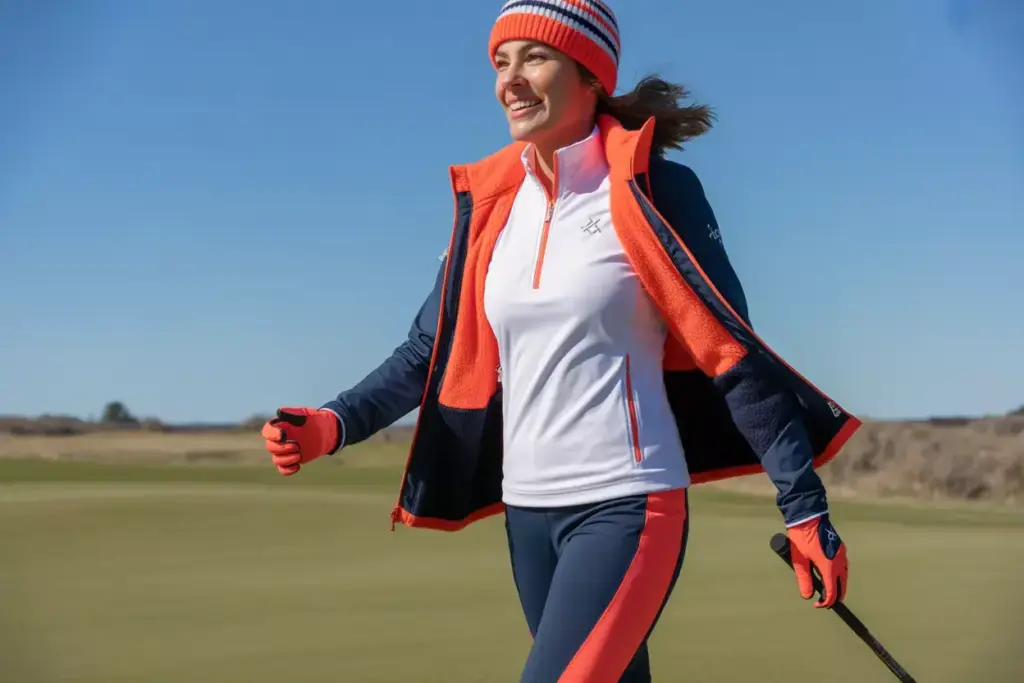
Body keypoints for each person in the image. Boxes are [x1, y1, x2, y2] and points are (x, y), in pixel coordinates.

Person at [261, 2, 861, 681]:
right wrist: (331, 423)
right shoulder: (490, 208)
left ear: (589, 76)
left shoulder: (653, 189)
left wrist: (804, 503)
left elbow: (730, 353)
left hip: (629, 505)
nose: (510, 80)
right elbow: (424, 351)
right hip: (528, 515)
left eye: (534, 58)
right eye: (500, 62)